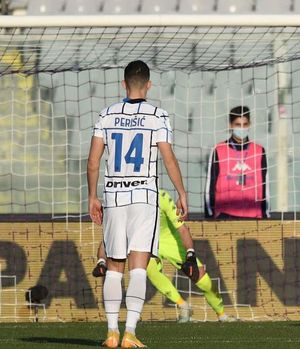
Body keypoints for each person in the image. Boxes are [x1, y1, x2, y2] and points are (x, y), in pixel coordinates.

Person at [88, 60, 188, 348]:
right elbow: (168, 157)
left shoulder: (106, 115)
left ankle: (111, 332)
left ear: (123, 84)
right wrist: (181, 191)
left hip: (114, 195)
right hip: (144, 197)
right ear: (148, 85)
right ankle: (130, 332)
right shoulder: (158, 115)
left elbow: (93, 161)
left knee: (114, 265)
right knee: (140, 266)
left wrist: (92, 196)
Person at [92, 190, 236, 323]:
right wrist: (101, 261)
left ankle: (221, 314)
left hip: (171, 241)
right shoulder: (123, 202)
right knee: (149, 270)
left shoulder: (161, 197)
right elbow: (108, 237)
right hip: (146, 243)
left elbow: (182, 229)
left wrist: (190, 254)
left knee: (203, 281)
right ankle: (183, 305)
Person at [205, 106, 269, 219]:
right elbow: (210, 186)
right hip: (225, 215)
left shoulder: (259, 150)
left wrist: (265, 214)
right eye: (238, 125)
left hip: (253, 214)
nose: (242, 129)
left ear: (249, 124)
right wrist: (210, 215)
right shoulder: (218, 150)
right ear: (231, 125)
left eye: (245, 124)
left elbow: (265, 186)